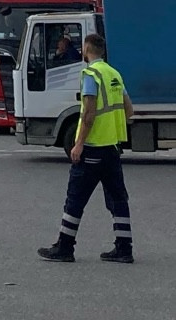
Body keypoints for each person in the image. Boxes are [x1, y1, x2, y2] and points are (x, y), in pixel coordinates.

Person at [38, 32, 135, 263]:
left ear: (87, 49)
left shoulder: (90, 74)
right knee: (118, 199)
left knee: (75, 198)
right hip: (112, 148)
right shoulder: (114, 74)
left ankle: (65, 247)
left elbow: (89, 112)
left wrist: (78, 143)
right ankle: (124, 249)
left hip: (92, 148)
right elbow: (129, 110)